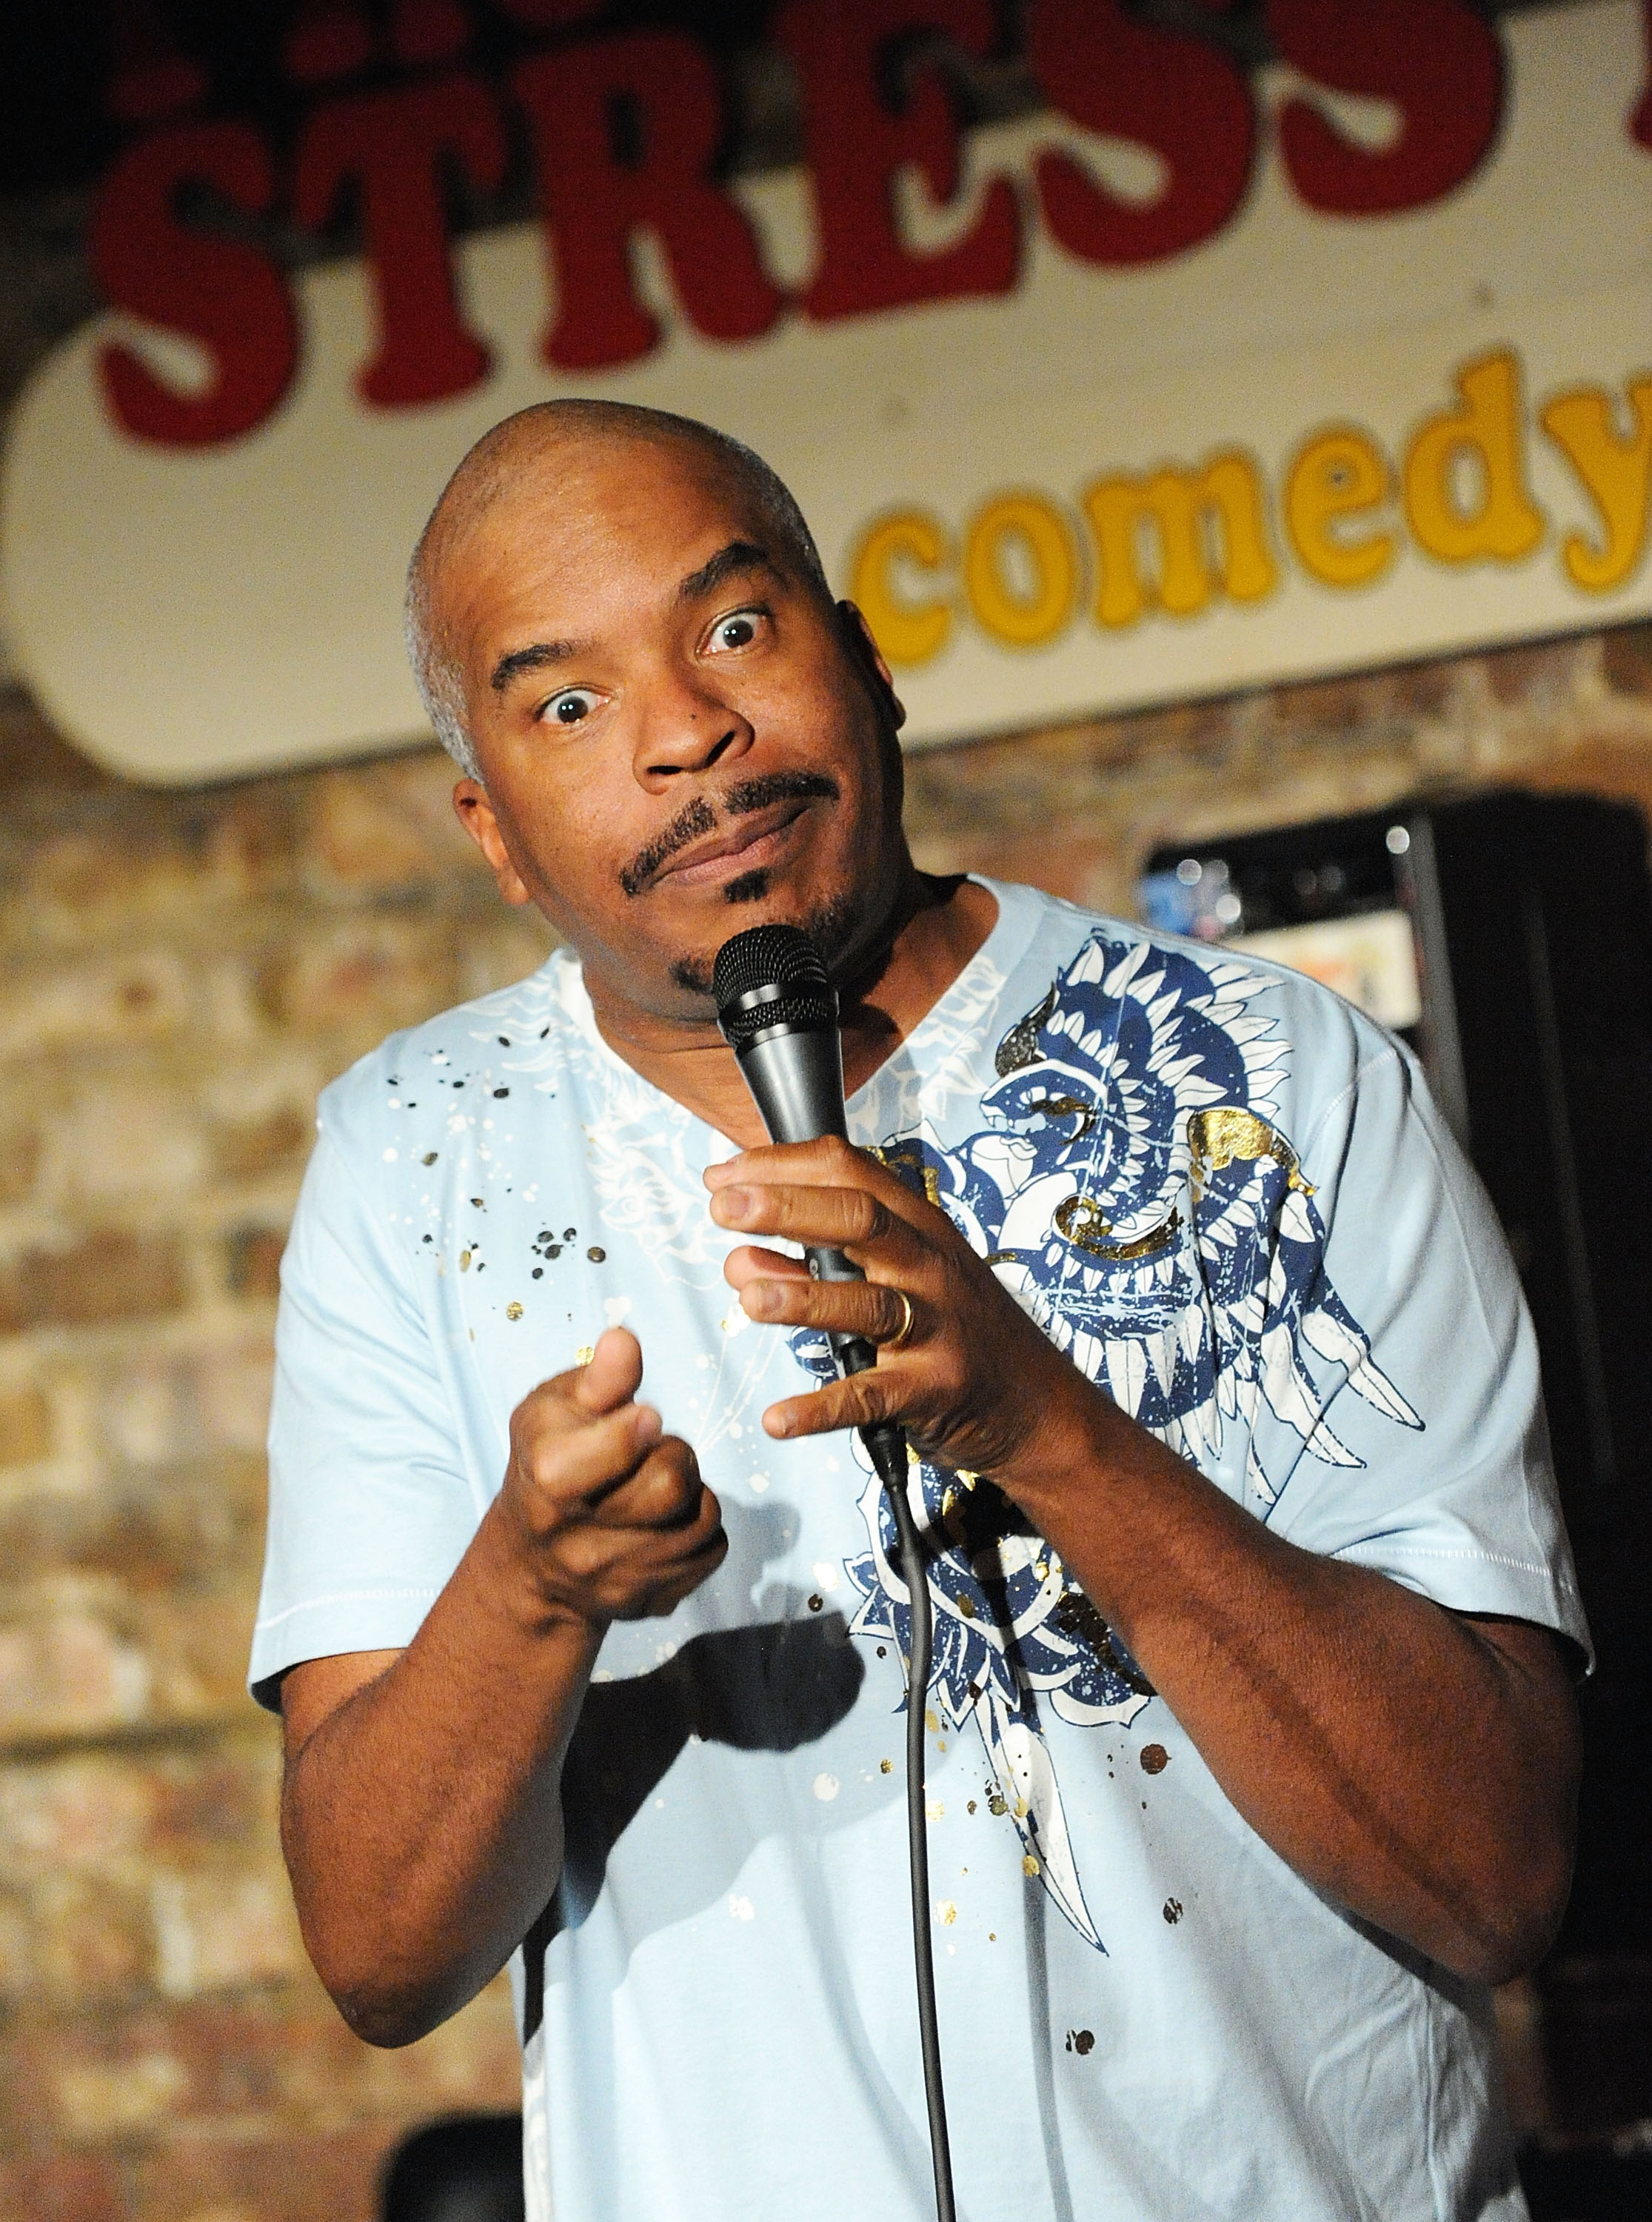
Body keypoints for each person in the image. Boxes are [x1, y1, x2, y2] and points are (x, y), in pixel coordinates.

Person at [253, 401, 1586, 2222]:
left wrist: (1051, 1432)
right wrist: (528, 1593)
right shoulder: (416, 1160)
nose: (686, 735)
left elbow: (1500, 1874)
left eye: (733, 629)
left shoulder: (1277, 1078)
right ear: (492, 830)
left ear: (866, 664)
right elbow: (382, 1960)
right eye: (566, 702)